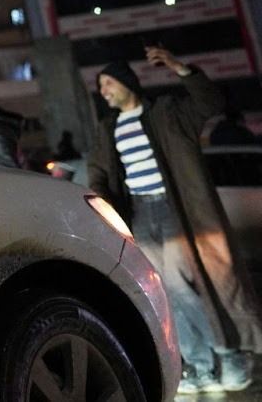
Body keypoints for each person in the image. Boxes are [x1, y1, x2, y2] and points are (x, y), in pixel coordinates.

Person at [88, 46, 262, 394]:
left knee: (187, 286)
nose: (103, 91)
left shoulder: (166, 113)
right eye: (101, 85)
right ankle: (198, 364)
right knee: (163, 291)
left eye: (108, 83)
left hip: (173, 209)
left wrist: (180, 68)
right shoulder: (108, 128)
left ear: (127, 83)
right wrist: (102, 205)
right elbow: (99, 171)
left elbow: (210, 103)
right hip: (139, 213)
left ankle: (228, 355)